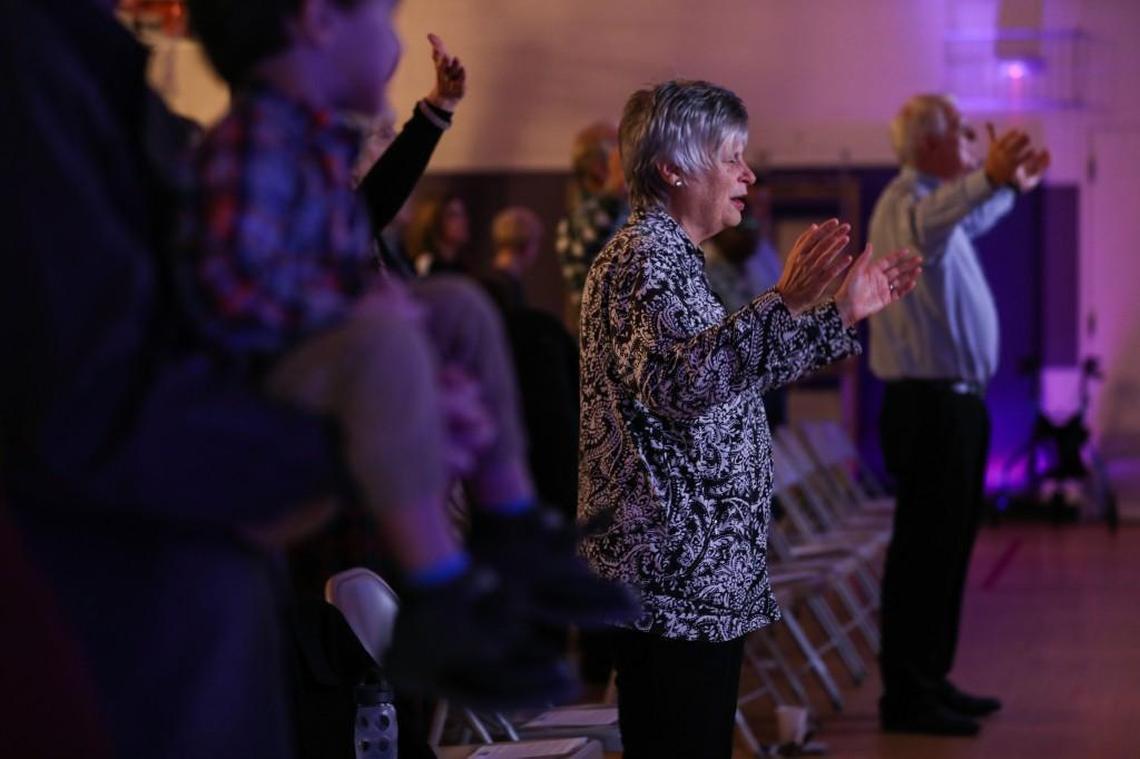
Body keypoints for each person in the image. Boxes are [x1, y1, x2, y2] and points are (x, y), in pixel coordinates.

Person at [183, 0, 635, 707]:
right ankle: (437, 591)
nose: (392, 39)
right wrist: (378, 334)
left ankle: (512, 525)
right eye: (384, 16)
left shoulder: (314, 146)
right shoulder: (252, 145)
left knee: (460, 308)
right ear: (316, 23)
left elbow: (347, 259)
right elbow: (235, 292)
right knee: (386, 335)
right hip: (257, 385)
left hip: (326, 361)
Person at [1, 1, 345, 755]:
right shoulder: (32, 54)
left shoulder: (70, 48)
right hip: (118, 656)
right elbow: (89, 398)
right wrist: (347, 442)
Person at [577, 79, 922, 758]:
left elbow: (731, 374)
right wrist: (782, 300)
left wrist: (840, 313)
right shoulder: (642, 259)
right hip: (672, 576)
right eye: (732, 155)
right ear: (674, 168)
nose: (749, 173)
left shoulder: (672, 258)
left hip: (698, 573)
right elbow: (681, 382)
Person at [868, 94, 1049, 737]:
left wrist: (1008, 190)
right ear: (927, 146)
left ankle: (931, 679)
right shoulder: (904, 206)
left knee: (947, 552)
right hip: (929, 408)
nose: (972, 143)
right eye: (962, 135)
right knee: (924, 554)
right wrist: (991, 179)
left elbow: (958, 221)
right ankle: (908, 697)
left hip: (952, 408)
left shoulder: (933, 208)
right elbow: (935, 222)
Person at [704, 179, 789, 427]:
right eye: (752, 206)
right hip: (734, 383)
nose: (756, 217)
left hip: (770, 373)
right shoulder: (707, 262)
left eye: (764, 206)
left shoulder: (763, 251)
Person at [555, 121, 629, 332]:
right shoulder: (578, 221)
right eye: (623, 152)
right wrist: (617, 186)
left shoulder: (623, 210)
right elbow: (594, 226)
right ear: (599, 167)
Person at [406, 192, 472, 276]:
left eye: (464, 215)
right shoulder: (426, 265)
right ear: (434, 220)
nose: (464, 221)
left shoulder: (461, 267)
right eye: (453, 215)